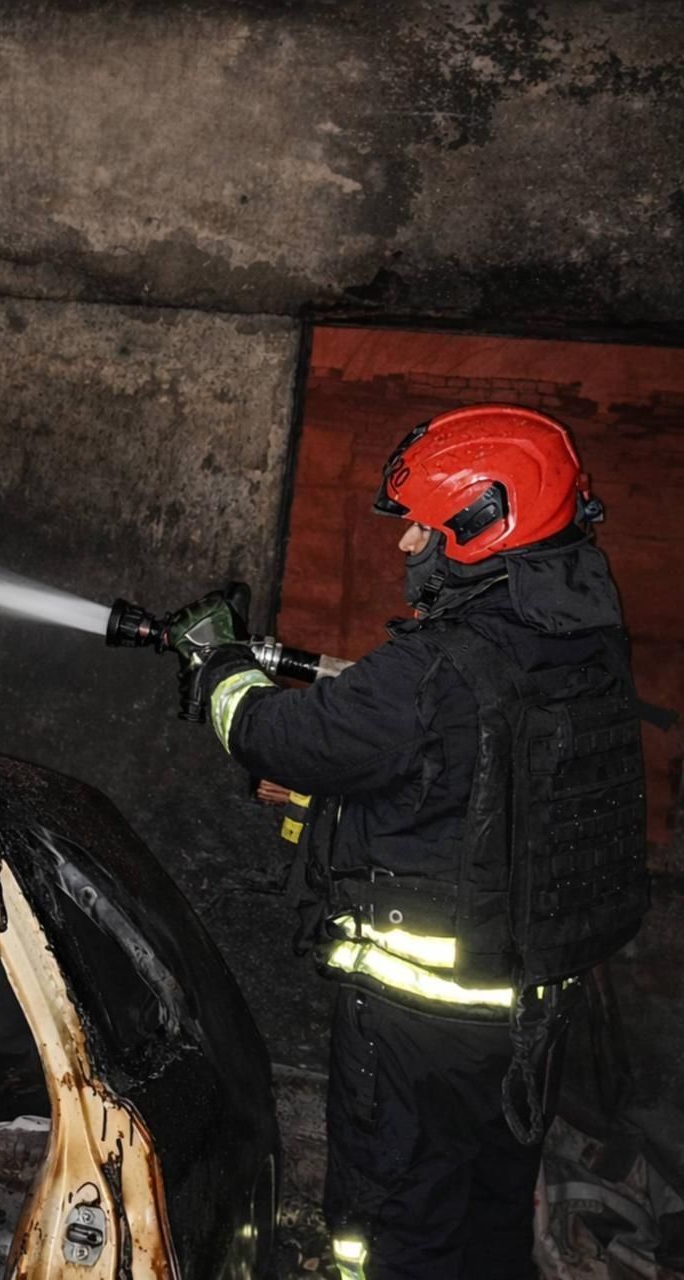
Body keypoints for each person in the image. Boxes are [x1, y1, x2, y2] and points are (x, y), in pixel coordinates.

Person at [165, 404, 649, 1280]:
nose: (405, 543)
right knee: (488, 1224)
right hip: (529, 1015)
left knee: (393, 1234)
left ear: (482, 527)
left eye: (423, 526)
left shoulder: (434, 669)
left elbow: (279, 738)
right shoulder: (583, 637)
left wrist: (220, 666)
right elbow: (478, 784)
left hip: (418, 1033)